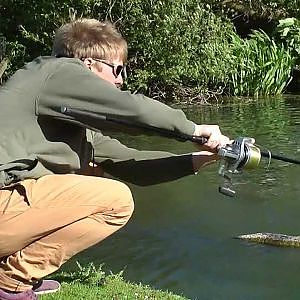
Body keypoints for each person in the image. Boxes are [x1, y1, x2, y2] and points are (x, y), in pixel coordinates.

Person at [0, 18, 230, 299]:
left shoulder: (72, 124)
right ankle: (10, 282)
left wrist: (204, 157)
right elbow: (130, 109)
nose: (121, 80)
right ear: (88, 64)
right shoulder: (55, 70)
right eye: (117, 69)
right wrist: (195, 129)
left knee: (95, 177)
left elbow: (131, 163)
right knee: (116, 201)